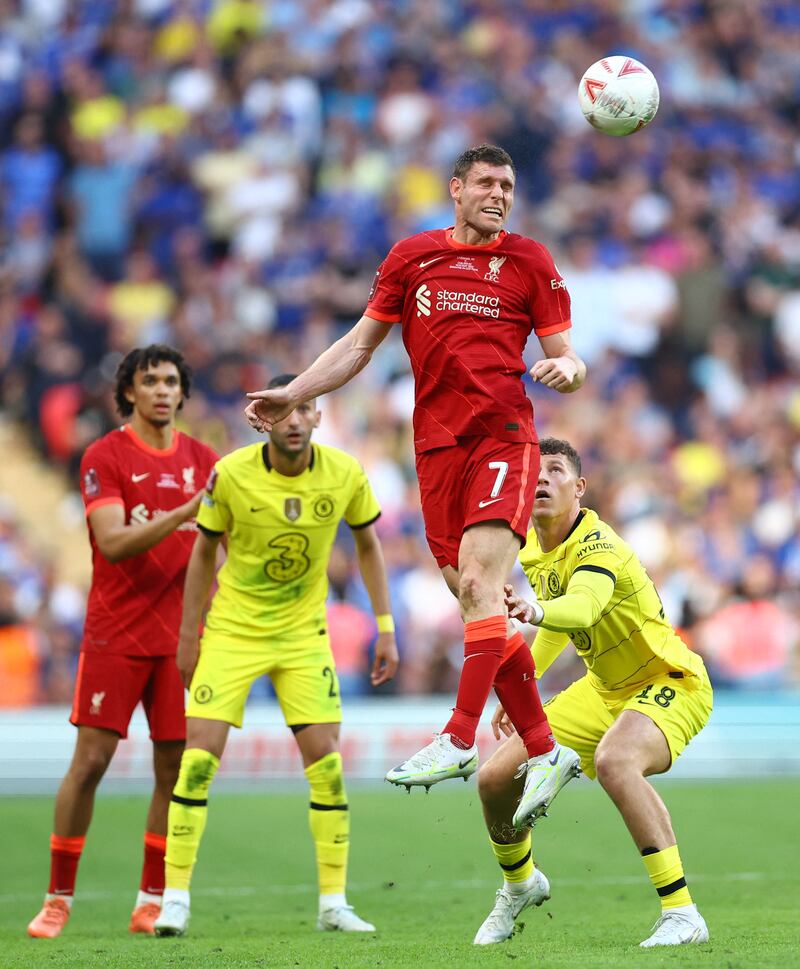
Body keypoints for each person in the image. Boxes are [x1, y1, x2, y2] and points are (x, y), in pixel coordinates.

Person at [245, 144, 586, 825]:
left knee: (483, 585)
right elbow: (359, 345)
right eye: (487, 183)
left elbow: (566, 355)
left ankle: (459, 736)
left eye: (509, 185)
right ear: (455, 189)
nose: (500, 194)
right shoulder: (413, 257)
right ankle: (546, 747)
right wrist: (293, 395)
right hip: (434, 450)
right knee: (475, 600)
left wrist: (568, 371)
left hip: (503, 439)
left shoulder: (529, 262)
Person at [154, 375, 399, 938]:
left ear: (317, 416)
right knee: (197, 761)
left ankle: (333, 903)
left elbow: (367, 544)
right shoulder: (232, 474)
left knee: (328, 767)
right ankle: (174, 899)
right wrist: (189, 635)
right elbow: (202, 552)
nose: (293, 419)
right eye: (281, 410)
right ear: (263, 418)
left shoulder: (345, 473)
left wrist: (384, 626)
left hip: (302, 636)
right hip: (234, 631)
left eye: (304, 408)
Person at [473, 438, 712, 948]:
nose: (540, 479)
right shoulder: (535, 547)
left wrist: (533, 612)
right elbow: (561, 624)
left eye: (554, 470)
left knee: (616, 761)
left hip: (667, 680)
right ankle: (520, 885)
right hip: (603, 689)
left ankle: (682, 913)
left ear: (578, 488)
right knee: (494, 779)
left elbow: (582, 608)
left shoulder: (599, 545)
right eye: (534, 471)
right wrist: (523, 687)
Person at [27, 345, 219, 939]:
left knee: (172, 768)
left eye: (170, 381)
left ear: (182, 393)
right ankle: (58, 899)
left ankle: (150, 900)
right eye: (149, 381)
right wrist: (189, 508)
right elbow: (112, 542)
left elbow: (224, 547)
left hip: (181, 638)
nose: (162, 390)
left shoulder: (204, 458)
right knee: (90, 762)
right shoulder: (104, 456)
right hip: (116, 633)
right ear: (128, 392)